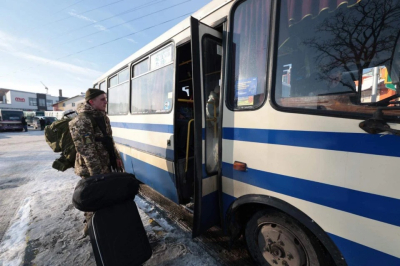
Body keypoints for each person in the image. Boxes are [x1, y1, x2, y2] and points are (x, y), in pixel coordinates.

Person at [69, 88, 124, 238]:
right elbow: (86, 150)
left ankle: (107, 224)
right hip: (91, 168)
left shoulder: (103, 117)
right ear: (91, 102)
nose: (106, 102)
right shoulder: (81, 121)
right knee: (94, 197)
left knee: (107, 196)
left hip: (105, 163)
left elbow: (109, 140)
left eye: (106, 99)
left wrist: (117, 157)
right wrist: (96, 176)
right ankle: (91, 228)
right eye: (102, 99)